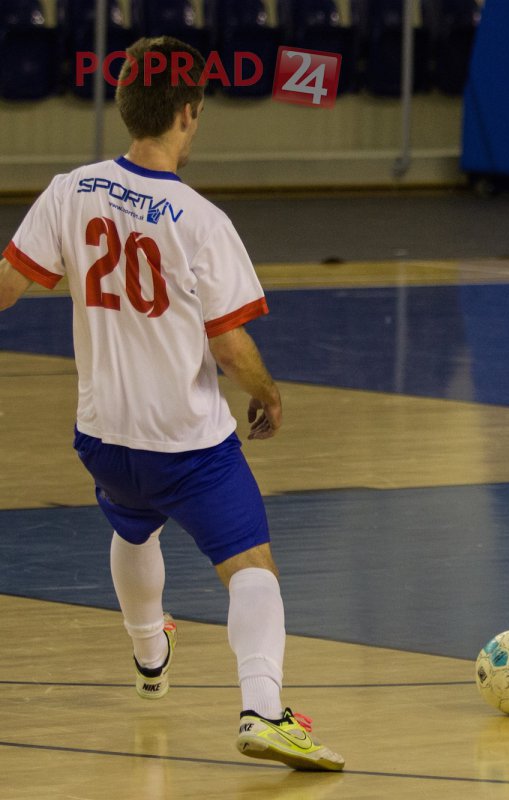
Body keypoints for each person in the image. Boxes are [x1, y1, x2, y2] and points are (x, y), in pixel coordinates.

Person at [0, 37, 344, 768]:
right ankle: (263, 711)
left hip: (103, 439)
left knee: (133, 528)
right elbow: (230, 347)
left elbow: (6, 284)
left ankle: (150, 655)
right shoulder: (200, 220)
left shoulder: (70, 190)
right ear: (188, 113)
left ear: (126, 105)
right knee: (251, 567)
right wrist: (268, 392)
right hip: (187, 446)